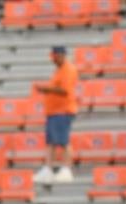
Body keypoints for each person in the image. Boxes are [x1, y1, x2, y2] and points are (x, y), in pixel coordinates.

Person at [33, 45, 80, 184]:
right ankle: (48, 169)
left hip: (63, 110)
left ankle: (66, 169)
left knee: (63, 141)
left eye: (54, 56)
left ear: (60, 55)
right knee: (51, 142)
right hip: (54, 111)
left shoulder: (68, 69)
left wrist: (45, 88)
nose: (52, 59)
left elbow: (64, 90)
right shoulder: (59, 70)